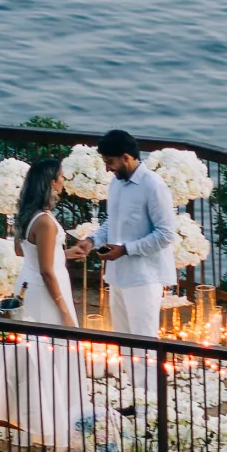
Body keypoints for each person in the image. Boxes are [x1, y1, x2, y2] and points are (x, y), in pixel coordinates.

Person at [0, 150, 94, 452]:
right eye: (61, 177)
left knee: (33, 355)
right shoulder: (46, 221)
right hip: (45, 292)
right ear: (51, 182)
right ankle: (56, 422)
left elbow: (23, 252)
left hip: (26, 287)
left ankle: (32, 423)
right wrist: (64, 309)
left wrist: (64, 254)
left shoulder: (27, 215)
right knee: (56, 353)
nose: (64, 181)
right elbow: (47, 270)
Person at [71, 130, 176, 344]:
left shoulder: (153, 186)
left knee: (144, 344)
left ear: (126, 157)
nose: (107, 168)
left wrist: (126, 250)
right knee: (123, 342)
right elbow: (113, 221)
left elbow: (166, 234)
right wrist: (91, 241)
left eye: (110, 162)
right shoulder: (116, 183)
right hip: (118, 275)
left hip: (144, 278)